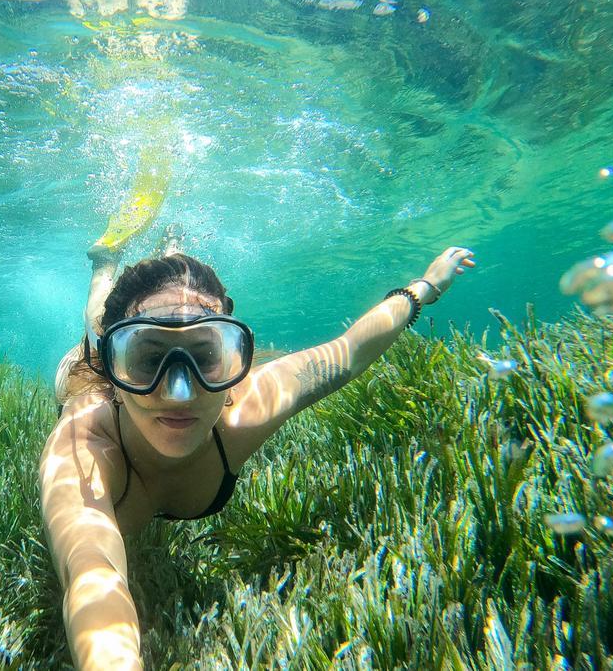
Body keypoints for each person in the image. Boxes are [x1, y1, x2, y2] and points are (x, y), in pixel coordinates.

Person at [40, 224, 475, 669]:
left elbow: (350, 352)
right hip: (84, 375)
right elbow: (90, 570)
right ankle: (105, 269)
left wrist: (425, 288)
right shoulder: (85, 446)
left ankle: (167, 256)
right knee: (99, 321)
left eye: (205, 356)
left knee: (139, 317)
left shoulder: (247, 409)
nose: (180, 393)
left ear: (231, 359)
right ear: (117, 372)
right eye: (148, 359)